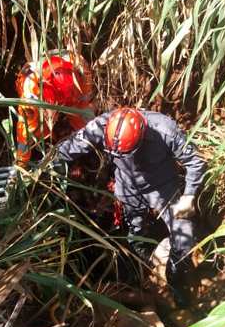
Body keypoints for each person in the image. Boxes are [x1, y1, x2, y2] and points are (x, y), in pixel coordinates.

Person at [54, 108, 206, 307]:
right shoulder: (102, 125)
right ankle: (146, 264)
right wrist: (47, 165)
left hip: (162, 187)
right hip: (127, 187)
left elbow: (195, 161)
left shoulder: (164, 130)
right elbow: (70, 147)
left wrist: (189, 196)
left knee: (184, 236)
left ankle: (176, 280)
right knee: (135, 234)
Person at [13, 50, 95, 166]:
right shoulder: (30, 91)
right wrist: (21, 163)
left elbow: (86, 107)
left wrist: (89, 138)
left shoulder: (82, 72)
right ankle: (42, 146)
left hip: (73, 97)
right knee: (38, 129)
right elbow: (25, 131)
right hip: (43, 104)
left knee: (85, 124)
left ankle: (88, 152)